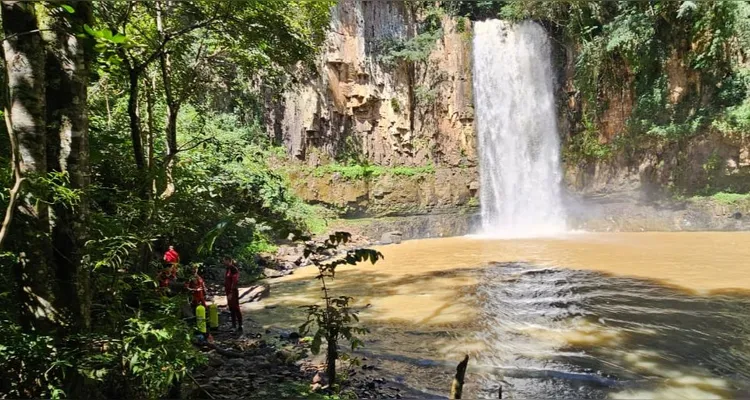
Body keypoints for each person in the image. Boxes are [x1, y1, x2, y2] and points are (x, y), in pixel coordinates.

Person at [222, 256, 242, 333]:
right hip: (228, 291)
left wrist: (231, 292)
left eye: (224, 261)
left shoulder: (234, 269)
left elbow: (234, 282)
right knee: (231, 308)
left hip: (233, 292)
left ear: (228, 261)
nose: (223, 262)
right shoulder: (227, 269)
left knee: (236, 307)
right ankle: (233, 325)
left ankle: (240, 325)